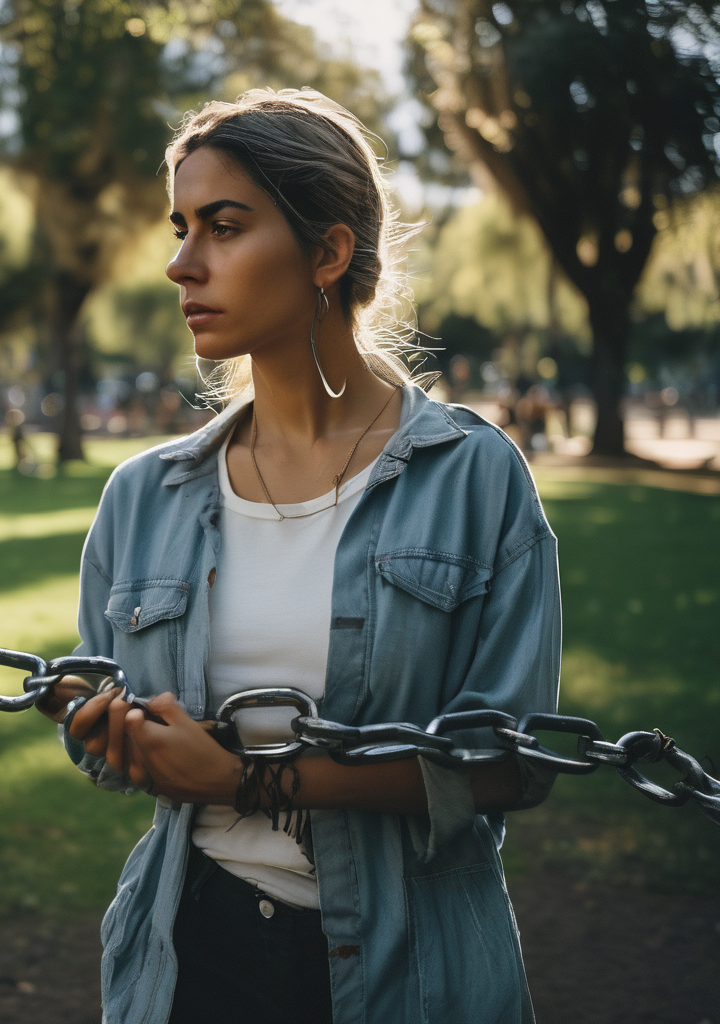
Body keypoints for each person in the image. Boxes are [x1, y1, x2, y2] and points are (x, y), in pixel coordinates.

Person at [37, 89, 561, 1024]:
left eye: (223, 227)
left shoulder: (473, 478)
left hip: (411, 967)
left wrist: (246, 779)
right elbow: (117, 759)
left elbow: (505, 763)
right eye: (181, 226)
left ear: (326, 252)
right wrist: (109, 734)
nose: (179, 263)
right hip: (192, 953)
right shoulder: (143, 498)